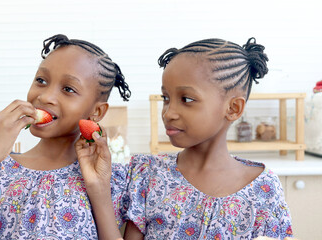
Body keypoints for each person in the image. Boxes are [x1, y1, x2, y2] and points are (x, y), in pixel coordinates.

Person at [81, 37, 294, 239]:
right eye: (166, 98)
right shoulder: (148, 175)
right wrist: (98, 187)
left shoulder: (264, 188)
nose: (168, 113)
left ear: (233, 108)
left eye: (187, 99)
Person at [0, 34, 131, 239]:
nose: (45, 97)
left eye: (68, 89)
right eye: (41, 80)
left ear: (96, 112)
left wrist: (99, 190)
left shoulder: (113, 181)